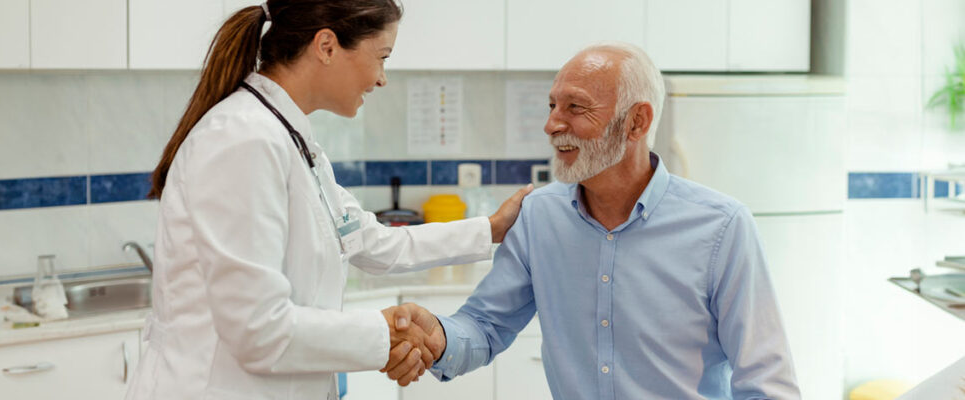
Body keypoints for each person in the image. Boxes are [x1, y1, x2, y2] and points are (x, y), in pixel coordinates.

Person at [125, 1, 531, 399]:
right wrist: (384, 332)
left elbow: (370, 241)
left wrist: (490, 229)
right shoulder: (244, 139)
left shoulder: (293, 141)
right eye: (382, 57)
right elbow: (258, 329)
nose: (381, 79)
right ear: (326, 46)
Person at [399, 43, 801, 399]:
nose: (552, 124)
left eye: (575, 107)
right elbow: (485, 326)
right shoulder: (539, 216)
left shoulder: (722, 227)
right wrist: (440, 336)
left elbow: (766, 383)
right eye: (552, 105)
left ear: (637, 122)